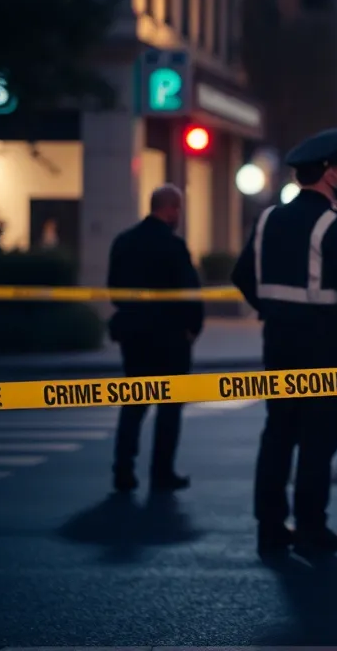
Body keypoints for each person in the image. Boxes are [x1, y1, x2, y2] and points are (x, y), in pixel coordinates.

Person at [230, 127, 337, 558]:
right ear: (329, 173)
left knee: (278, 434)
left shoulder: (268, 219)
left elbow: (242, 275)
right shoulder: (335, 227)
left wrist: (271, 307)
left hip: (277, 344)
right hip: (324, 348)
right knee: (318, 439)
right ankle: (312, 528)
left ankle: (271, 528)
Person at [106, 184, 204, 493]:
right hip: (170, 339)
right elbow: (190, 293)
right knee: (169, 408)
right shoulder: (174, 247)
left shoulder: (124, 241)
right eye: (179, 209)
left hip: (134, 337)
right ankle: (162, 472)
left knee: (134, 404)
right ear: (172, 208)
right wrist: (192, 329)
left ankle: (124, 470)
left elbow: (114, 290)